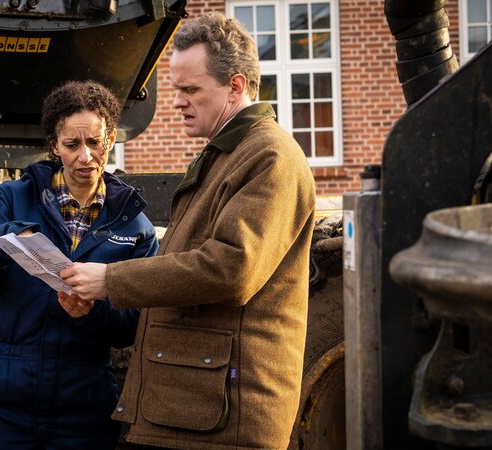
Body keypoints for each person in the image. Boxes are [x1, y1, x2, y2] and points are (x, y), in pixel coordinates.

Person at [59, 12, 316, 450]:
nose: (177, 101)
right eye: (177, 88)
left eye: (191, 90)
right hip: (189, 409)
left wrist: (110, 280)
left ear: (236, 86)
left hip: (218, 421)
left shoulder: (271, 157)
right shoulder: (227, 154)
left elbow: (230, 269)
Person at [0, 80, 159, 450]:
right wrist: (6, 239)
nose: (85, 157)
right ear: (54, 146)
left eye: (94, 143)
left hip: (82, 405)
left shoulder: (134, 227)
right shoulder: (9, 199)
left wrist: (91, 313)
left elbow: (136, 324)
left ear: (109, 140)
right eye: (72, 145)